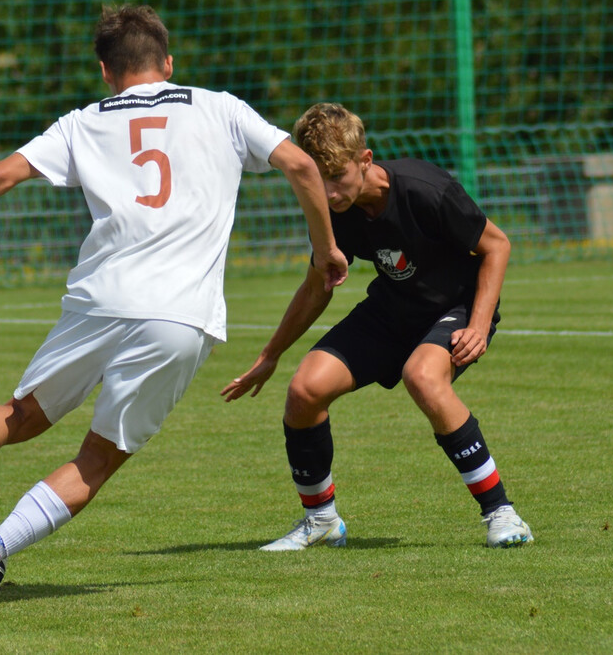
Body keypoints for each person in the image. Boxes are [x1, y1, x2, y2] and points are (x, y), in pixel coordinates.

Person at [0, 4, 349, 605]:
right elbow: (298, 162)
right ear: (168, 62)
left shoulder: (83, 122)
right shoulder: (220, 107)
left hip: (100, 298)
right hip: (179, 314)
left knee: (19, 417)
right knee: (96, 459)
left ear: (106, 71)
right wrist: (325, 251)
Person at [221, 102, 532, 550]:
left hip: (456, 308)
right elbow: (317, 286)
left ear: (364, 160)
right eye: (317, 179)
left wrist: (479, 325)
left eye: (337, 178)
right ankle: (321, 520)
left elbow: (496, 246)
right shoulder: (329, 210)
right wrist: (270, 356)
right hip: (393, 309)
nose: (328, 193)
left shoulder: (425, 190)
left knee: (422, 376)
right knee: (305, 390)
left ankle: (503, 514)